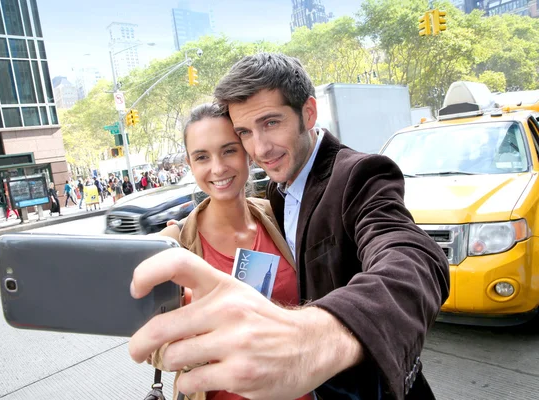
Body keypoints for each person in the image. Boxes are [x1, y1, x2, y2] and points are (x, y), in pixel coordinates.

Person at [128, 53, 450, 400]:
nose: (261, 148)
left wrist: (320, 337)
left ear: (308, 113)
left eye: (271, 123)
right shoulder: (277, 195)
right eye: (245, 132)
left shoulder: (359, 175)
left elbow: (411, 256)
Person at [148, 103, 313, 400]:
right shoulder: (174, 245)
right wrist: (202, 342)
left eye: (228, 150)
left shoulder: (280, 215)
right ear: (190, 163)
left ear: (247, 152)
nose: (218, 168)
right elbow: (152, 348)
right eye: (202, 157)